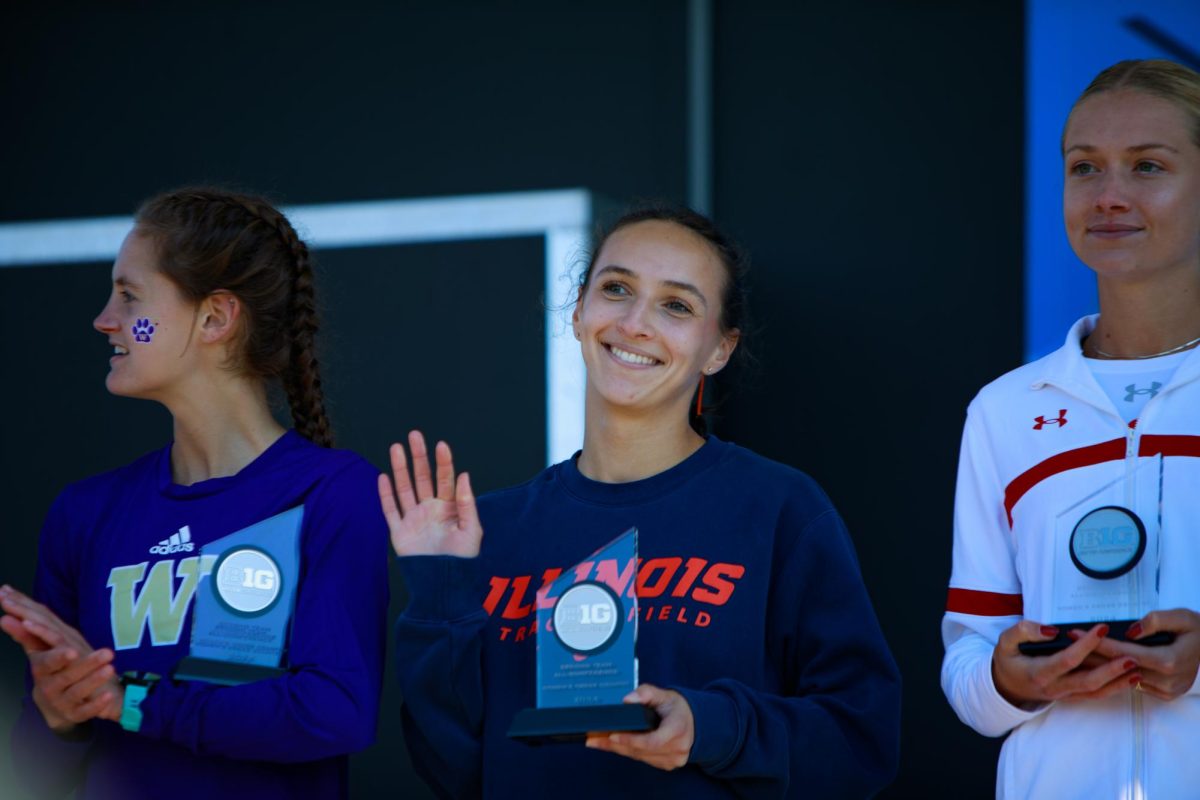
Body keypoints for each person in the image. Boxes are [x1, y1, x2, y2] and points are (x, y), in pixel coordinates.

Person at [381, 206, 901, 798]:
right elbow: (454, 769)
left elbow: (862, 740)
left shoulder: (780, 510)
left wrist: (711, 728)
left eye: (676, 305)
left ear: (719, 350)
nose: (634, 323)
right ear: (578, 313)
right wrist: (440, 590)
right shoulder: (488, 530)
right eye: (616, 289)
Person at [0, 188, 389, 799]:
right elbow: (34, 769)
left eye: (130, 297)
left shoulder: (332, 491)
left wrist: (131, 703)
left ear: (215, 318)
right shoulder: (84, 512)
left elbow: (332, 710)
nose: (105, 319)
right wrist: (60, 713)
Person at [942, 59, 1200, 798]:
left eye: (1147, 166)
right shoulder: (1005, 410)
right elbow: (968, 666)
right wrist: (1010, 678)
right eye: (1084, 168)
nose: (1109, 196)